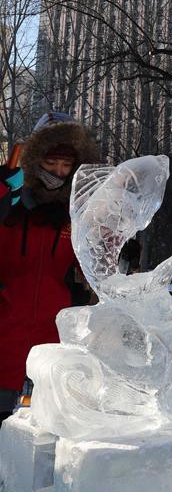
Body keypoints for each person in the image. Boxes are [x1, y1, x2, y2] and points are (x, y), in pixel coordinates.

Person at [0, 112, 100, 426]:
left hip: (53, 345)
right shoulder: (9, 195)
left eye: (66, 164)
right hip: (4, 338)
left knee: (44, 440)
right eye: (50, 161)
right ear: (35, 158)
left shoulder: (76, 212)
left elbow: (93, 264)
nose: (58, 171)